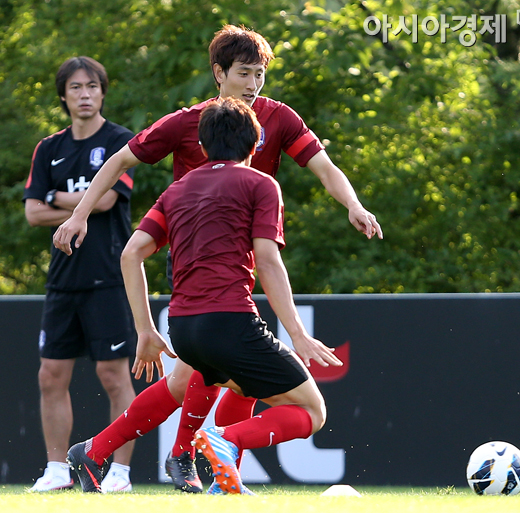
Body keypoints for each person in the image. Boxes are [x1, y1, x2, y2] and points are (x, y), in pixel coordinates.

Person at [53, 25, 383, 492]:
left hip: (239, 264)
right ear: (219, 73)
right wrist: (80, 216)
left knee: (210, 369)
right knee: (227, 368)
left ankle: (129, 453)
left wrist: (353, 204)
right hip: (198, 258)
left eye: (260, 74)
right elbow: (119, 161)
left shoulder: (276, 117)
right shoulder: (190, 122)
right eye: (244, 73)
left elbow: (324, 166)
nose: (253, 84)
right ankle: (198, 454)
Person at [23, 56, 137, 493]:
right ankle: (56, 470)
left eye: (92, 86)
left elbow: (107, 201)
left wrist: (55, 195)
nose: (85, 94)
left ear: (103, 91)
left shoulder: (120, 141)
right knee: (50, 374)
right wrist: (72, 197)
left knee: (113, 375)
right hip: (62, 279)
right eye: (76, 88)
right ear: (64, 96)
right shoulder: (48, 148)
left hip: (108, 276)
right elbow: (33, 213)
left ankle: (120, 473)